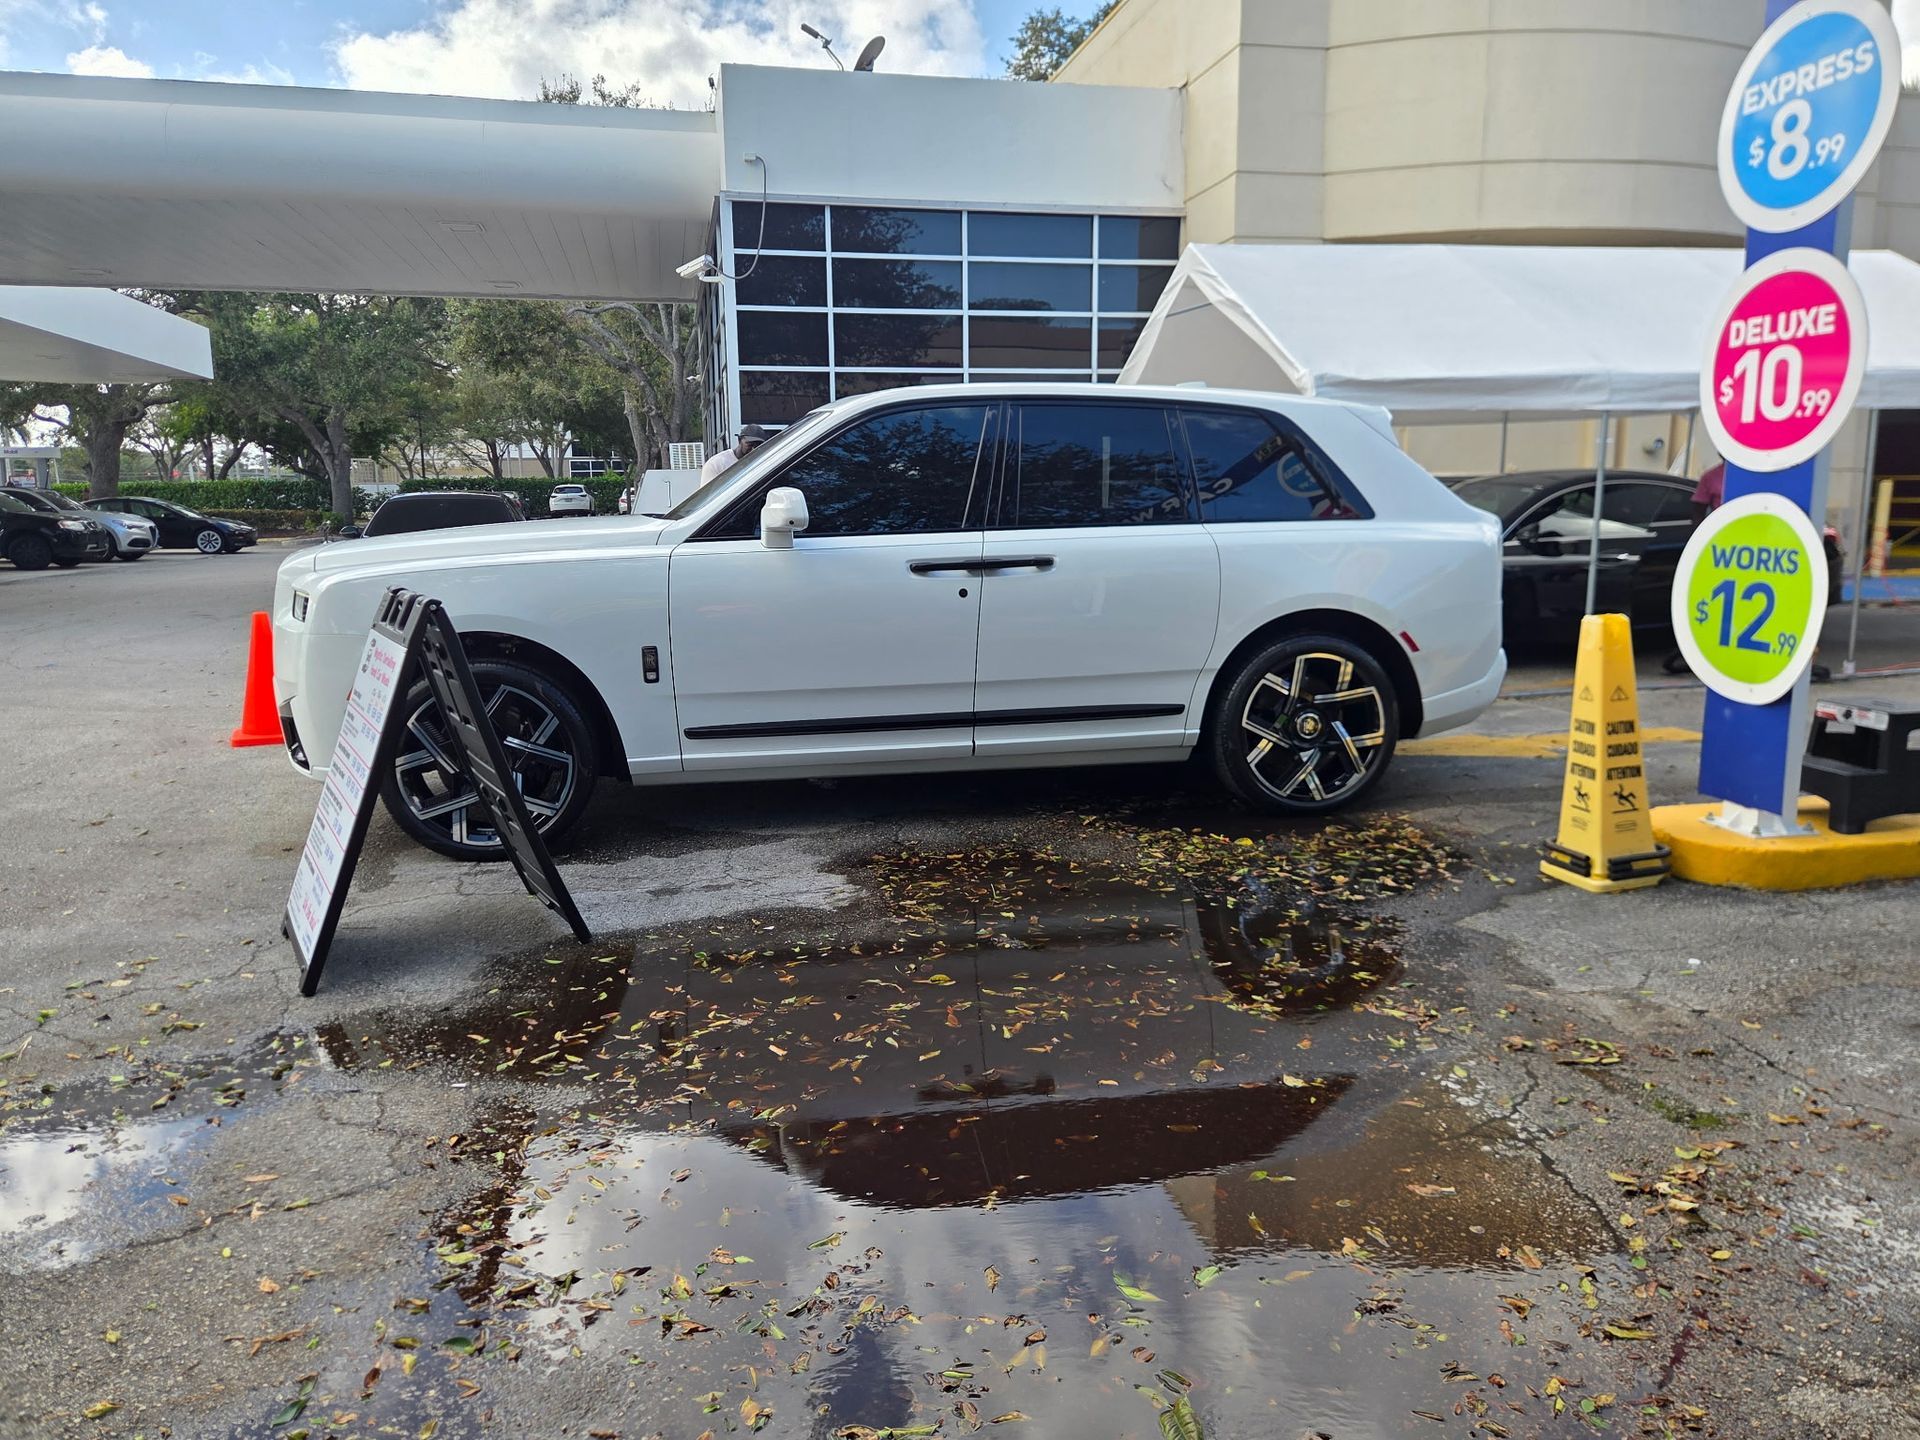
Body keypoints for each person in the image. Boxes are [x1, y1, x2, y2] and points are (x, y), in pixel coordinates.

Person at [699, 424, 768, 484]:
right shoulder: (717, 463)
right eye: (750, 444)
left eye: (757, 446)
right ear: (739, 440)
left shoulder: (761, 464)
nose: (753, 449)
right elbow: (708, 495)